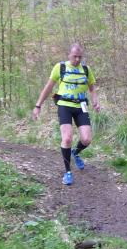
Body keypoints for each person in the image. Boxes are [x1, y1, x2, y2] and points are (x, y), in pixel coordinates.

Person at [32, 43, 100, 185]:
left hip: (81, 106)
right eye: (75, 56)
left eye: (80, 57)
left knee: (86, 139)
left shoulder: (86, 69)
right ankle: (68, 172)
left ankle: (74, 153)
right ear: (69, 55)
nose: (77, 59)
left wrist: (95, 101)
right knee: (67, 138)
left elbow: (92, 88)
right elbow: (48, 87)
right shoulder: (60, 67)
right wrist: (38, 105)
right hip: (64, 106)